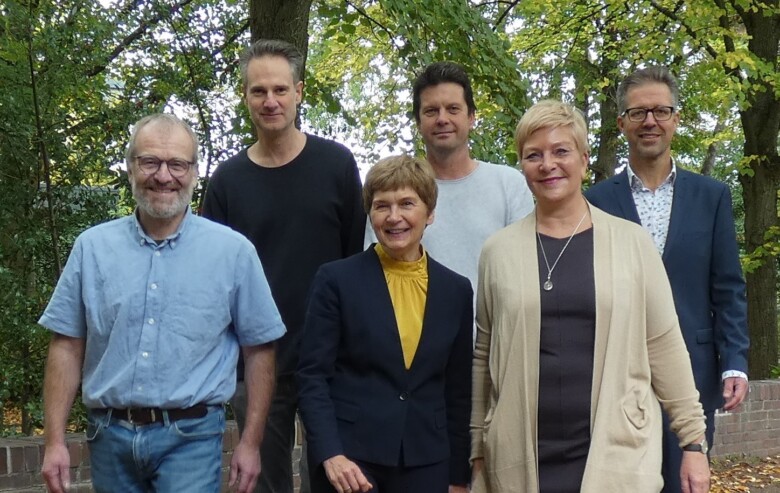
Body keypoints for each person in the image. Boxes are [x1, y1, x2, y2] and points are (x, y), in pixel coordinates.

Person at [470, 100, 710, 492]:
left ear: (583, 160)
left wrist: (693, 442)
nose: (548, 164)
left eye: (561, 151)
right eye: (534, 155)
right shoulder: (498, 251)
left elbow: (664, 344)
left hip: (617, 450)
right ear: (523, 167)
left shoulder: (632, 242)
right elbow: (484, 355)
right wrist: (477, 446)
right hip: (521, 456)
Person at [39, 113, 285, 493]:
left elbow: (260, 351)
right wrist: (54, 441)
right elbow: (67, 345)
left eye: (177, 164)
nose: (164, 176)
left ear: (194, 171)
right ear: (130, 167)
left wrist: (250, 444)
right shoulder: (92, 248)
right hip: (109, 439)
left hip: (192, 438)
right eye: (150, 161)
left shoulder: (233, 252)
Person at [202, 39, 366, 493]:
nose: (269, 101)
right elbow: (212, 279)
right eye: (258, 91)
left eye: (279, 89)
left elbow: (357, 257)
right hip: (255, 361)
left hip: (331, 358)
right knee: (264, 482)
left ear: (299, 92)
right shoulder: (227, 182)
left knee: (335, 479)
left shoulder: (336, 164)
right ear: (245, 97)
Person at [585, 66, 749, 492]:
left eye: (661, 110)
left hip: (691, 373)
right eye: (638, 113)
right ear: (621, 122)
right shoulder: (594, 203)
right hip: (616, 373)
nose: (650, 121)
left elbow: (728, 287)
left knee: (685, 483)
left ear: (676, 118)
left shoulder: (711, 196)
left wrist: (735, 361)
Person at [297, 155, 473, 493]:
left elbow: (458, 389)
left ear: (430, 212)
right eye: (382, 206)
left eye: (407, 203)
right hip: (350, 463)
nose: (394, 217)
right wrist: (330, 453)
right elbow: (312, 376)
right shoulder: (336, 280)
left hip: (427, 460)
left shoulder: (456, 290)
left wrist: (457, 476)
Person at [408, 61, 534, 299]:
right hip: (416, 334)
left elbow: (527, 270)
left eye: (453, 109)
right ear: (418, 122)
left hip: (496, 334)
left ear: (472, 117)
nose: (442, 119)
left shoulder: (509, 185)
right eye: (431, 111)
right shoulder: (398, 193)